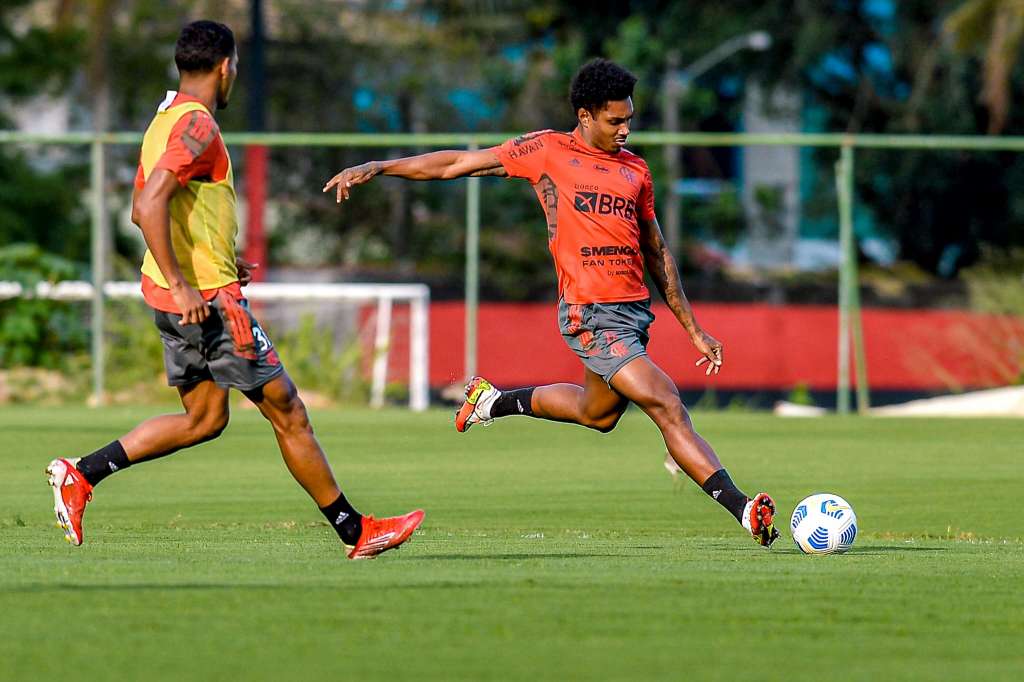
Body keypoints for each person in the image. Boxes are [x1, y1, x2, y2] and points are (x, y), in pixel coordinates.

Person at [323, 58, 778, 547]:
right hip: (589, 314)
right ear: (585, 116)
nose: (626, 129)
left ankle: (492, 401)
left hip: (631, 315)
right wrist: (381, 167)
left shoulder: (635, 171)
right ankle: (744, 509)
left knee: (596, 414)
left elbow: (658, 250)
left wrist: (693, 329)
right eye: (615, 121)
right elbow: (457, 163)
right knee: (667, 403)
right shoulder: (546, 151)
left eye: (630, 119)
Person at [46, 20, 423, 560]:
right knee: (288, 409)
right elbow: (150, 206)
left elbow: (145, 207)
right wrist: (186, 283)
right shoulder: (198, 127)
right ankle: (355, 531)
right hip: (207, 303)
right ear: (226, 67)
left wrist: (214, 260)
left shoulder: (165, 119)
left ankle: (80, 475)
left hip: (183, 293)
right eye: (237, 67)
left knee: (204, 419)